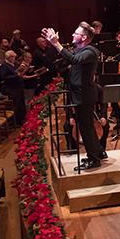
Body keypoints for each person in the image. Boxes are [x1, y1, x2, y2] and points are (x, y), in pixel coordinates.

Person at [43, 22, 106, 169]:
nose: (72, 35)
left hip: (84, 95)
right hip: (80, 94)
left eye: (76, 33)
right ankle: (99, 152)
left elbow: (75, 60)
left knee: (86, 128)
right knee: (87, 126)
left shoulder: (90, 51)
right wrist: (54, 45)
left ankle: (93, 159)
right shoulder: (80, 50)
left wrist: (56, 43)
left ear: (83, 37)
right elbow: (67, 60)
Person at [0, 50, 25, 126]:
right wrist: (17, 75)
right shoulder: (4, 65)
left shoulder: (13, 64)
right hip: (12, 89)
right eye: (13, 57)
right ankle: (16, 122)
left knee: (20, 105)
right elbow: (4, 77)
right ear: (8, 57)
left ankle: (21, 120)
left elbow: (16, 72)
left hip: (18, 87)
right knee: (16, 105)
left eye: (14, 57)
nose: (14, 58)